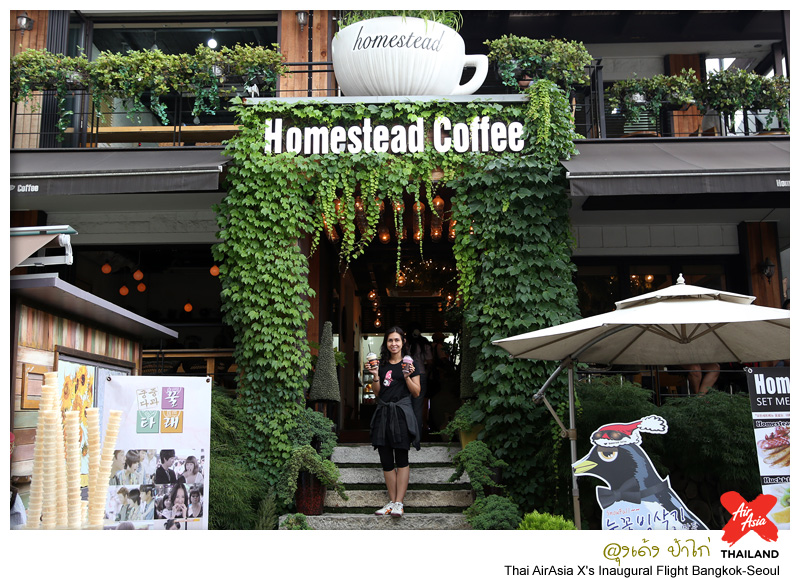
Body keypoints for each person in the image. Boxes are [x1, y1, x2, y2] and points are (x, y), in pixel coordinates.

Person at [366, 326, 421, 518]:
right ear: (386, 343)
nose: (394, 343)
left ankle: (399, 502)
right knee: (386, 460)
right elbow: (377, 393)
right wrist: (375, 375)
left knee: (402, 458)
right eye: (390, 340)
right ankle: (392, 502)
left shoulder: (410, 364)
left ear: (403, 342)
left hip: (401, 414)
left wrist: (406, 377)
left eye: (397, 340)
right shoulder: (380, 365)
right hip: (383, 414)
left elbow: (416, 392)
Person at [407, 325, 433, 435]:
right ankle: (417, 435)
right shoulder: (424, 344)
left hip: (407, 376)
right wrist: (426, 372)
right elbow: (430, 361)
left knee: (406, 405)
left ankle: (406, 434)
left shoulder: (405, 344)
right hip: (421, 374)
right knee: (418, 407)